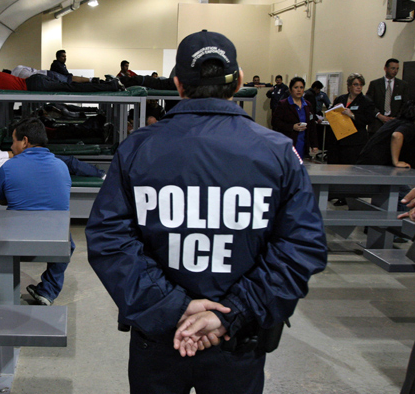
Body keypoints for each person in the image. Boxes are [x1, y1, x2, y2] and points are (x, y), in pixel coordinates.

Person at [85, 30, 327, 394]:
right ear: (240, 82)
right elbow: (301, 246)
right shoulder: (277, 153)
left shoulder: (137, 149)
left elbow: (110, 240)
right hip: (238, 337)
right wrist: (228, 314)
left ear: (178, 84)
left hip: (159, 335)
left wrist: (173, 308)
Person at [0, 118, 75, 306]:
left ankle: (1, 291)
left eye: (14, 141)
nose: (12, 146)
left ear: (24, 141)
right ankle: (48, 291)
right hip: (55, 239)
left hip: (16, 238)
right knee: (68, 242)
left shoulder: (8, 167)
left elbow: (1, 200)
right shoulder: (62, 167)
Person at [0, 137, 105, 180]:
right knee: (70, 162)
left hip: (28, 173)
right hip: (32, 163)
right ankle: (102, 176)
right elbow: (17, 153)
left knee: (69, 167)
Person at [327, 73, 376, 165]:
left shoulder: (366, 102)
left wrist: (352, 115)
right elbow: (331, 114)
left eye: (361, 85)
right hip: (338, 139)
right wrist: (334, 109)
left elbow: (369, 119)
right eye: (356, 84)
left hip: (355, 141)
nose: (359, 87)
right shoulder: (341, 99)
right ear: (349, 86)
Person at [357, 101, 415, 169]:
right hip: (375, 166)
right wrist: (396, 162)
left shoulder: (394, 122)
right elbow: (397, 136)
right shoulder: (408, 125)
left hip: (367, 162)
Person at [271, 77, 319, 158]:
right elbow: (275, 122)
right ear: (290, 89)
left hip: (303, 142)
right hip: (288, 142)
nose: (299, 90)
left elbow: (312, 126)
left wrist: (314, 144)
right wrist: (292, 127)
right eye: (296, 87)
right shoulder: (283, 104)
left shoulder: (307, 105)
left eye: (301, 87)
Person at [366, 58, 412, 134]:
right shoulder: (375, 84)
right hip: (377, 121)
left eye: (397, 69)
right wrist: (379, 115)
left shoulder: (402, 85)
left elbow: (405, 104)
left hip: (395, 121)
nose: (395, 71)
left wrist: (396, 118)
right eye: (393, 68)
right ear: (385, 68)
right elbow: (369, 103)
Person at [0, 71, 123, 93]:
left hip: (34, 85)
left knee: (72, 87)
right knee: (71, 84)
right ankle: (108, 83)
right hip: (35, 78)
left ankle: (111, 85)